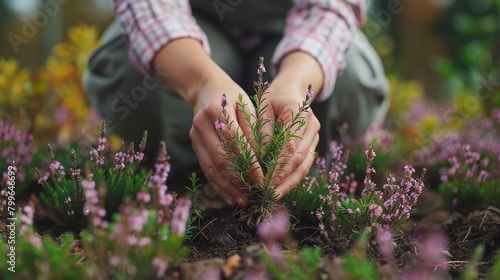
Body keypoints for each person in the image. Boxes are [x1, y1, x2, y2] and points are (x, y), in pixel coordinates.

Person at [83, 0, 389, 208]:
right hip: (192, 24)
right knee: (138, 81)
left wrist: (296, 84)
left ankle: (297, 188)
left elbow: (331, 8)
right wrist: (201, 83)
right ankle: (186, 192)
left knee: (350, 79)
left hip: (293, 29)